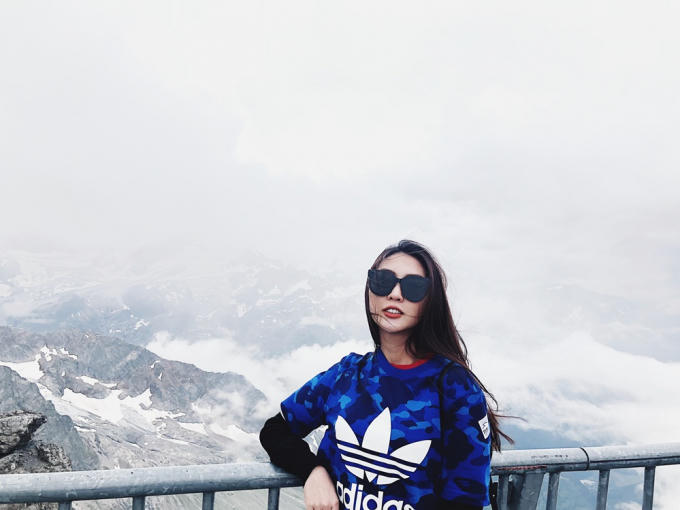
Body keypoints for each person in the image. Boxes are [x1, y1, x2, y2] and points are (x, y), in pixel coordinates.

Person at [260, 240, 511, 510]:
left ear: (431, 301)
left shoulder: (455, 388)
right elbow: (275, 431)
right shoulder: (346, 375)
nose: (395, 294)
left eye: (413, 286)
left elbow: (465, 502)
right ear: (369, 291)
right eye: (383, 281)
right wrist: (312, 471)